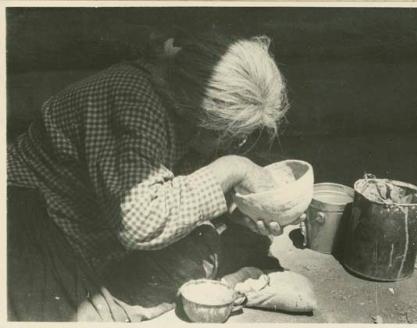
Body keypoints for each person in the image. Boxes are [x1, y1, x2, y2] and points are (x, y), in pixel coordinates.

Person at [7, 30, 304, 322]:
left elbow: (174, 175)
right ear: (198, 112)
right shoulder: (135, 104)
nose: (234, 144)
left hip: (91, 220)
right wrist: (232, 168)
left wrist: (236, 206)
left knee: (200, 252)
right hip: (32, 219)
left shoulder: (175, 100)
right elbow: (139, 221)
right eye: (227, 136)